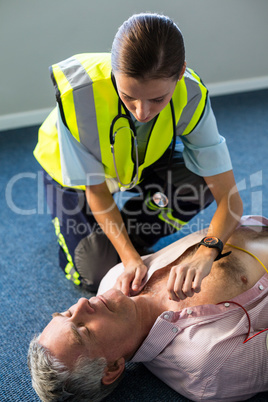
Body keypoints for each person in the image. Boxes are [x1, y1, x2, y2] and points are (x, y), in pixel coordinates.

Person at [33, 12, 243, 295]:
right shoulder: (77, 95)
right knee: (96, 273)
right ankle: (96, 235)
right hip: (74, 175)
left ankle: (125, 230)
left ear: (180, 73)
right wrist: (130, 259)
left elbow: (229, 200)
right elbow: (95, 189)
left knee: (200, 183)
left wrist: (207, 251)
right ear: (114, 74)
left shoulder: (192, 95)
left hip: (137, 164)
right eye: (128, 96)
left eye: (158, 99)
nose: (142, 113)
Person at [28, 216, 268, 402]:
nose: (82, 304)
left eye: (67, 313)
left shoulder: (114, 279)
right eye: (82, 330)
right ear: (111, 368)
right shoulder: (210, 368)